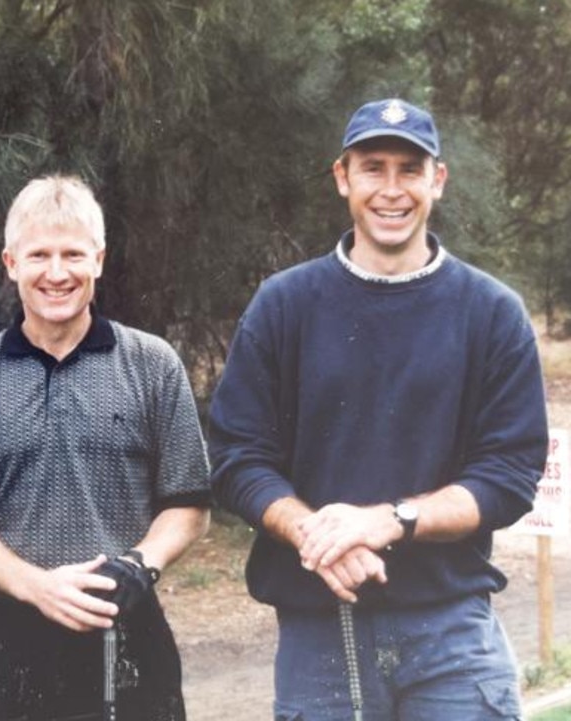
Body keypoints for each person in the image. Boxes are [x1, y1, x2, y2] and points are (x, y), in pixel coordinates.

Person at [208, 98, 547, 719]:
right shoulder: (284, 305)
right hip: (320, 635)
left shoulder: (492, 312)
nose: (392, 190)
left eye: (409, 170)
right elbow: (237, 458)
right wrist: (320, 536)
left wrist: (389, 521)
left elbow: (509, 476)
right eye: (373, 168)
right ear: (343, 178)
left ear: (437, 181)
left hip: (453, 635)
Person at [0, 175, 211, 720]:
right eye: (39, 256)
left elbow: (188, 504)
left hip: (126, 625)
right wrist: (37, 586)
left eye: (73, 255)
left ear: (98, 260)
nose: (57, 273)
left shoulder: (152, 365)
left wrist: (140, 565)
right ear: (11, 263)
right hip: (11, 639)